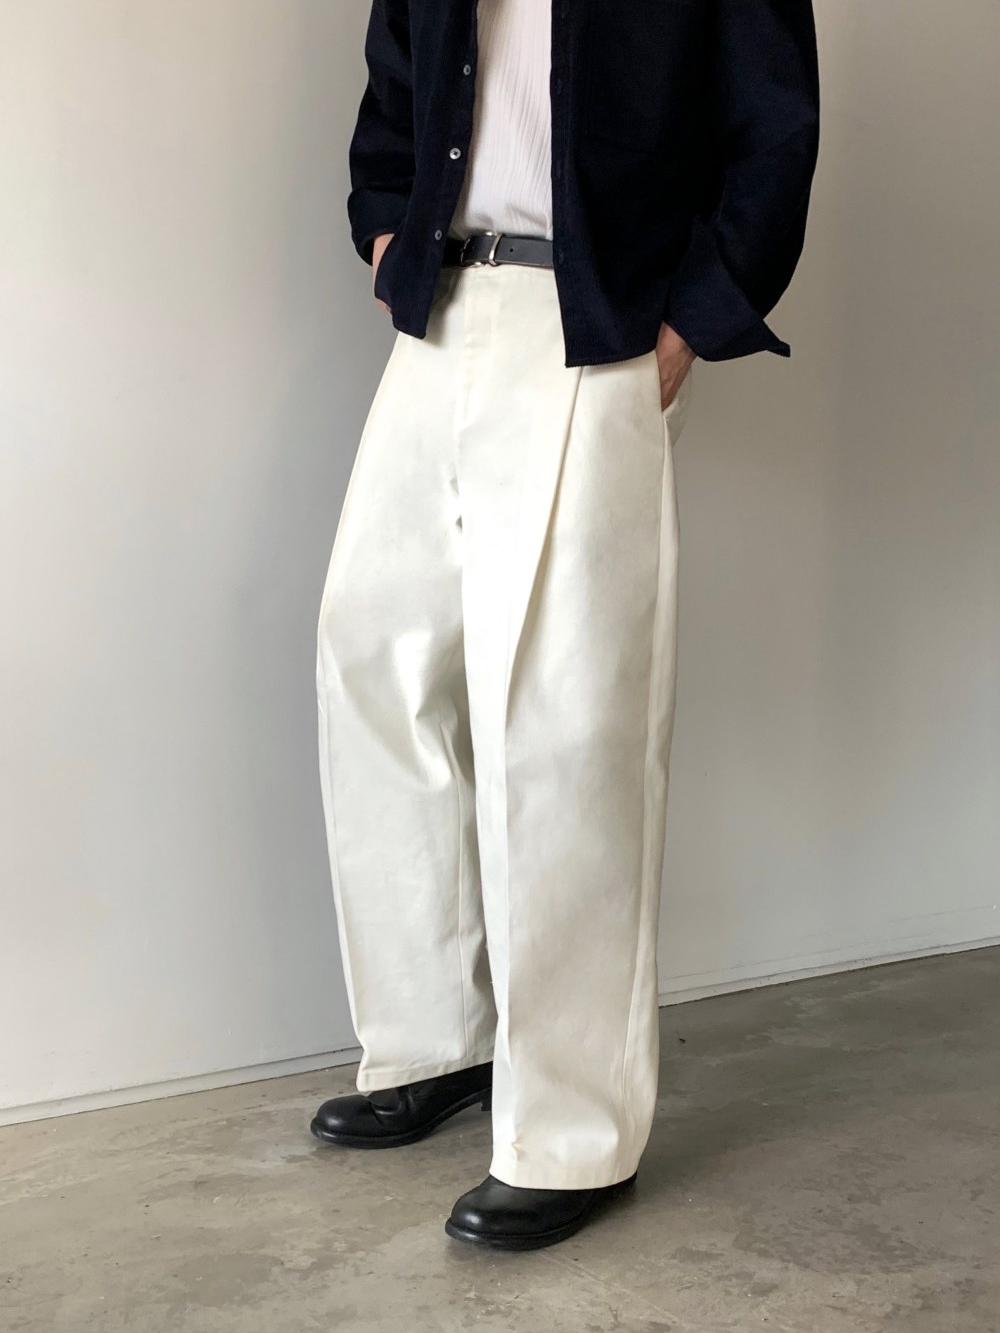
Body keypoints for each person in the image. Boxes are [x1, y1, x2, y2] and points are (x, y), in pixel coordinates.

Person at [312, 0, 819, 1251]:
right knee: (373, 660)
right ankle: (436, 1042)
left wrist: (689, 325)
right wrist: (385, 231)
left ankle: (574, 1129)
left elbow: (773, 129)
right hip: (441, 302)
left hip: (591, 322)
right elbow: (394, 89)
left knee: (564, 720)